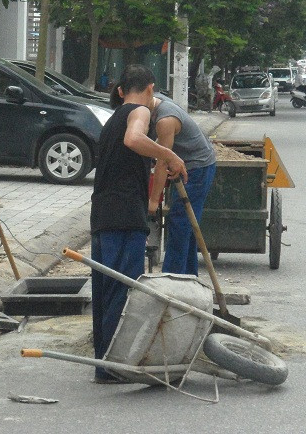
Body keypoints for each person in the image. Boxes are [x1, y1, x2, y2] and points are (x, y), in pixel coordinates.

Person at [90, 64, 187, 383]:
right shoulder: (138, 112)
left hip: (104, 214)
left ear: (120, 89)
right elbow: (134, 140)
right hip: (123, 216)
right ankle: (116, 364)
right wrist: (168, 155)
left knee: (106, 290)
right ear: (150, 89)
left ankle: (104, 365)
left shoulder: (113, 116)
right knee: (122, 290)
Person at [148, 92, 217, 276]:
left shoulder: (165, 119)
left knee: (180, 222)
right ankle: (188, 276)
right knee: (187, 224)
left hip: (197, 168)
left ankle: (172, 279)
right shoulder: (155, 104)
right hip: (192, 164)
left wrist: (153, 202)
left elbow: (162, 163)